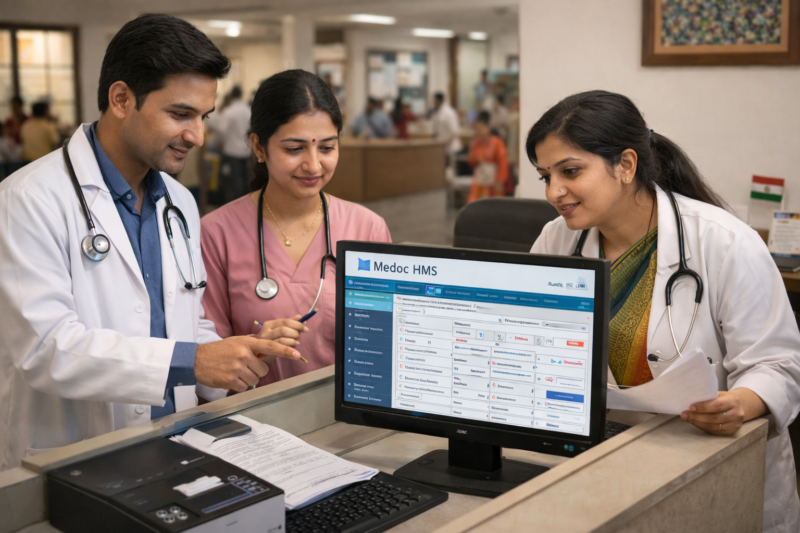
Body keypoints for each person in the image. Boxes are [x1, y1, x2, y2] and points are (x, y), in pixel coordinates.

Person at [0, 14, 303, 472]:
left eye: (204, 117)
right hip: (74, 456)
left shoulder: (179, 202)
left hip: (174, 443)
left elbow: (185, 320)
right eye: (180, 114)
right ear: (121, 99)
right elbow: (47, 349)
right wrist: (193, 361)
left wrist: (234, 354)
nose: (197, 136)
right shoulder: (29, 199)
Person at [526, 90, 800, 533]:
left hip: (708, 463)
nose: (554, 191)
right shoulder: (556, 240)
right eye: (545, 176)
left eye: (570, 171)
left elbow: (779, 365)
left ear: (626, 165)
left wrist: (740, 404)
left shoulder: (725, 242)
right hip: (601, 460)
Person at [201, 70, 392, 387]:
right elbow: (207, 360)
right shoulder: (216, 234)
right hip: (255, 413)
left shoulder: (367, 228)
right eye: (294, 149)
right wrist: (253, 350)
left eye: (327, 148)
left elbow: (383, 344)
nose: (314, 165)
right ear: (259, 147)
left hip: (347, 410)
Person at [217, 86, 252, 203]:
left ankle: (237, 204)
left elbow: (222, 132)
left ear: (232, 95)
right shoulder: (248, 110)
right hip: (246, 151)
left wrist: (221, 144)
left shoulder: (229, 111)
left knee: (235, 180)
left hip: (232, 150)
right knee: (245, 178)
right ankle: (246, 203)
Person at [467, 110, 508, 203]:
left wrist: (500, 180)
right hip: (480, 180)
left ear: (487, 127)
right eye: (477, 129)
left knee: (494, 205)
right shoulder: (475, 143)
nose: (479, 132)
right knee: (476, 203)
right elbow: (472, 163)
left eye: (481, 128)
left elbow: (503, 162)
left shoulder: (497, 142)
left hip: (494, 181)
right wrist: (472, 153)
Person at [431, 92, 462, 162]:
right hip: (443, 148)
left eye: (434, 101)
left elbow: (454, 132)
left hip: (451, 149)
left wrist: (444, 143)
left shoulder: (448, 113)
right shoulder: (438, 112)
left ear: (438, 101)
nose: (433, 104)